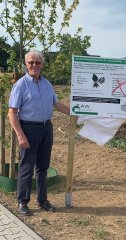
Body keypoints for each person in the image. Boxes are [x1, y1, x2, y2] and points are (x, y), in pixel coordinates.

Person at [8, 50, 70, 216]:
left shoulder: (47, 84)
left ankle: (43, 200)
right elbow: (12, 113)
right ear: (26, 64)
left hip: (46, 128)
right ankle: (23, 201)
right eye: (31, 62)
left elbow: (57, 104)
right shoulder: (21, 85)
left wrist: (74, 112)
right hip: (28, 129)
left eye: (38, 62)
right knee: (26, 167)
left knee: (43, 166)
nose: (34, 65)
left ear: (42, 64)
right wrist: (20, 135)